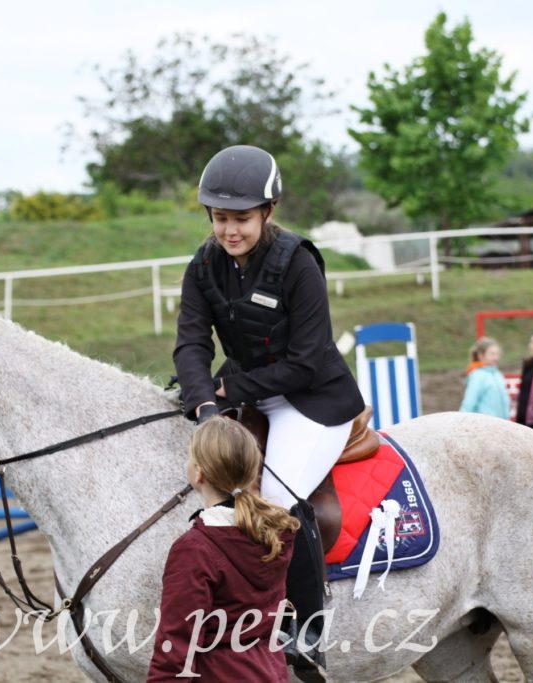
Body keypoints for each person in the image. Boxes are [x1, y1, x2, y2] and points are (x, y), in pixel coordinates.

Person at [173, 144, 365, 679]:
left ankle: (307, 637)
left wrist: (229, 388)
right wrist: (204, 405)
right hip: (244, 394)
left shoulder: (298, 262)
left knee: (276, 498)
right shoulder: (203, 264)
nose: (229, 230)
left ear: (267, 211)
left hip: (313, 398)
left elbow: (305, 362)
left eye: (241, 219)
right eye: (219, 218)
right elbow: (191, 343)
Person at [148, 418, 299, 682]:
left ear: (198, 473)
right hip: (270, 672)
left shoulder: (193, 549)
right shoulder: (276, 532)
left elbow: (176, 647)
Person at [459, 336, 510, 419]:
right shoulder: (477, 376)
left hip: (501, 423)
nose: (496, 358)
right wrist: (461, 420)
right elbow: (469, 402)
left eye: (497, 354)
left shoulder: (498, 374)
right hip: (485, 424)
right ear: (481, 355)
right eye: (492, 354)